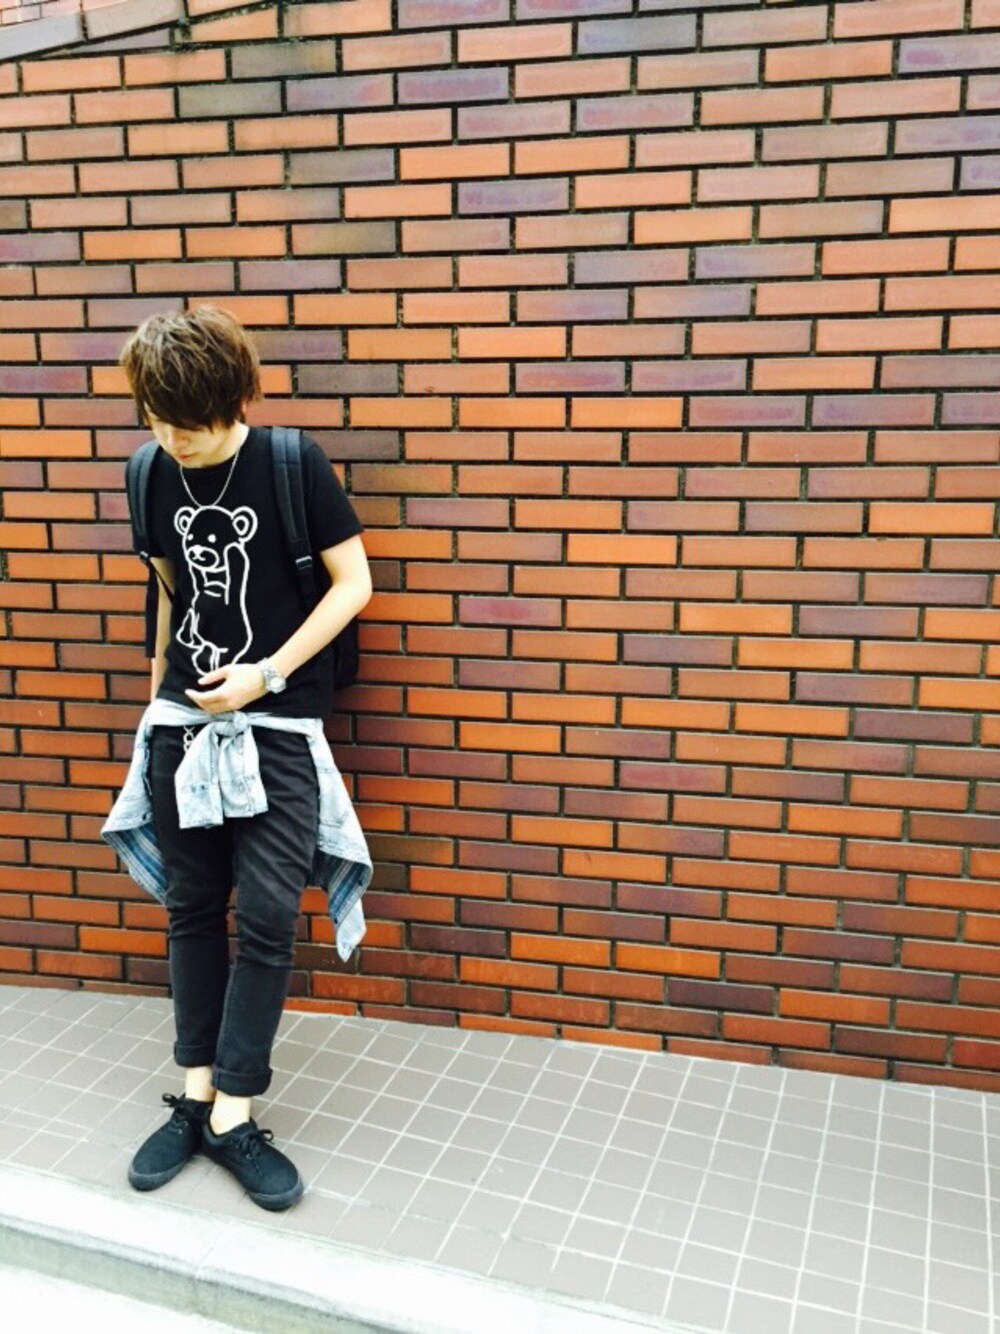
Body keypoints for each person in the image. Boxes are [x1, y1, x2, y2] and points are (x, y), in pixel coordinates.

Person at [110, 305, 373, 1211]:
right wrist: (159, 702)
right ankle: (195, 1097)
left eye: (189, 421)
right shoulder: (148, 472)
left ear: (235, 399)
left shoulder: (293, 464)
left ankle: (235, 1112)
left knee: (265, 915)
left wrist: (266, 674)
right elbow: (170, 593)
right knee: (191, 909)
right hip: (181, 724)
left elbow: (354, 583)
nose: (173, 438)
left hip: (282, 726)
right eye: (157, 419)